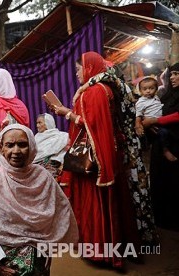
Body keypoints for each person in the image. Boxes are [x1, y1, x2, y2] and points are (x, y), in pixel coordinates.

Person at [52, 51, 141, 268]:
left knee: (95, 202)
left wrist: (66, 112)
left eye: (78, 69)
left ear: (89, 67)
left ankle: (101, 251)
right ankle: (118, 249)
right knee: (114, 201)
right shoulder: (107, 89)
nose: (76, 74)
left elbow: (91, 125)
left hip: (93, 161)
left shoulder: (93, 92)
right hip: (109, 153)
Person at [0, 124, 78, 275]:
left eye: (22, 144)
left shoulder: (43, 177)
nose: (16, 151)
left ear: (32, 147)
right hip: (3, 256)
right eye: (10, 145)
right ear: (1, 148)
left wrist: (47, 247)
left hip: (40, 256)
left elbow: (60, 215)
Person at [73, 64, 158, 246]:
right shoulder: (115, 89)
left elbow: (105, 77)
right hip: (126, 145)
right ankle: (139, 235)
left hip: (129, 147)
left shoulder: (116, 86)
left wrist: (83, 88)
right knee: (132, 191)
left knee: (135, 189)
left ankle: (142, 236)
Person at [142, 62, 179, 231]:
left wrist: (156, 121)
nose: (172, 77)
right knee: (160, 181)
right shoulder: (164, 96)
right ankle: (161, 218)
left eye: (177, 74)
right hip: (160, 144)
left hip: (176, 146)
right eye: (171, 74)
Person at [135, 76, 175, 161]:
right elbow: (138, 114)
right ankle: (165, 150)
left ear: (156, 89)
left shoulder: (156, 97)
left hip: (160, 122)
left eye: (151, 88)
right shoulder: (141, 102)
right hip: (150, 123)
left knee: (166, 134)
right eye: (145, 89)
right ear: (140, 91)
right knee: (163, 133)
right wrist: (138, 124)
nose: (148, 91)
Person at [33, 113, 68, 181]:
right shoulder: (36, 137)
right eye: (37, 123)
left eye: (40, 123)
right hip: (36, 167)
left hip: (53, 167)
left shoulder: (62, 136)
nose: (37, 125)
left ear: (48, 123)